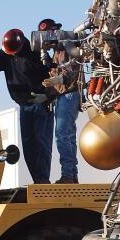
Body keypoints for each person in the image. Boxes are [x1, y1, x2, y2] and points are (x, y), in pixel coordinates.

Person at [0, 28, 54, 184]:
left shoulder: (35, 52)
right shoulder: (5, 54)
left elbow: (53, 75)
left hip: (40, 102)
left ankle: (43, 180)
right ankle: (37, 180)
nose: (12, 55)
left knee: (41, 142)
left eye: (14, 52)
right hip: (24, 105)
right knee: (28, 144)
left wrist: (47, 95)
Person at [38, 18, 81, 184]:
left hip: (69, 94)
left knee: (62, 135)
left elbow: (69, 74)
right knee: (68, 136)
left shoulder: (66, 45)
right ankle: (71, 174)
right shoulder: (57, 50)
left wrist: (52, 83)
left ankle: (68, 175)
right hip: (66, 95)